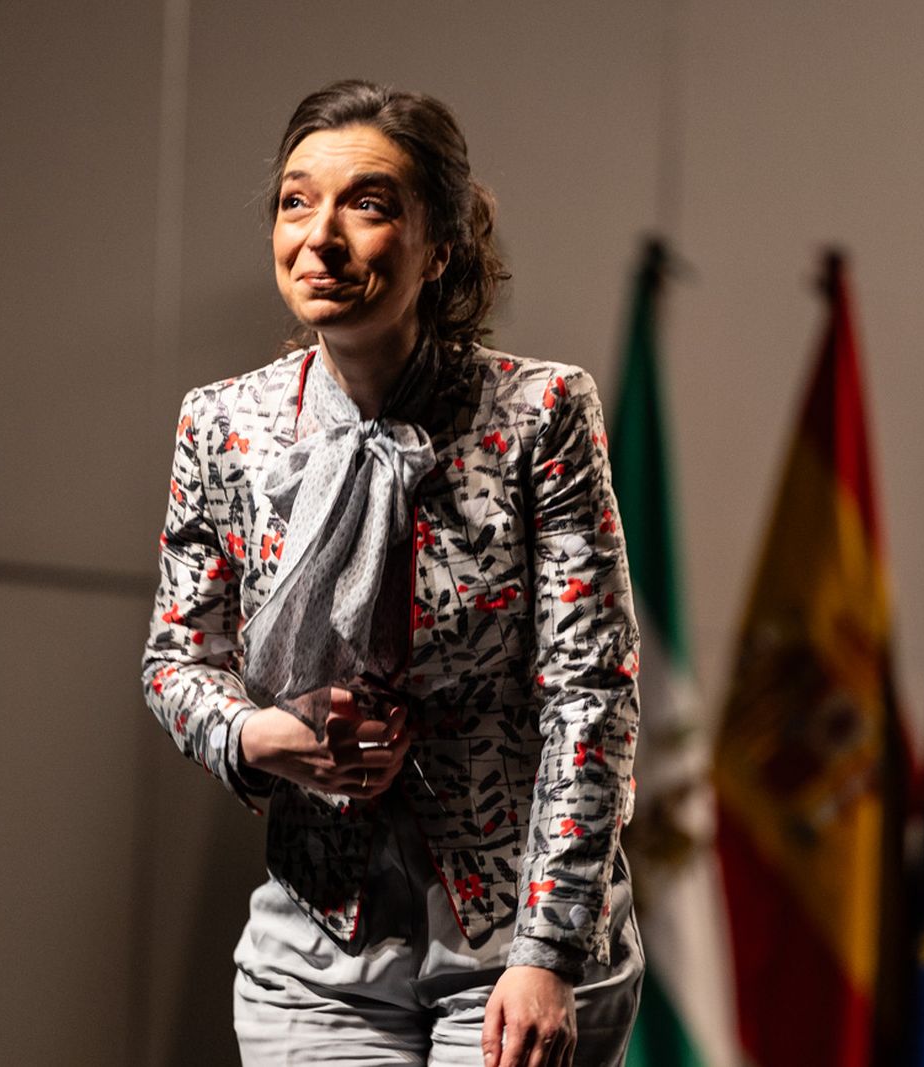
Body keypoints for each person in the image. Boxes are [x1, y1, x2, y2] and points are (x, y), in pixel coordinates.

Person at [143, 79, 643, 1067]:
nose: (319, 236)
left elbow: (591, 698)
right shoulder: (224, 424)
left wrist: (547, 951)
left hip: (515, 943)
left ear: (441, 244)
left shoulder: (538, 414)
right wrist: (258, 734)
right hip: (318, 950)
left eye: (366, 204)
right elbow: (174, 662)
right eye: (296, 200)